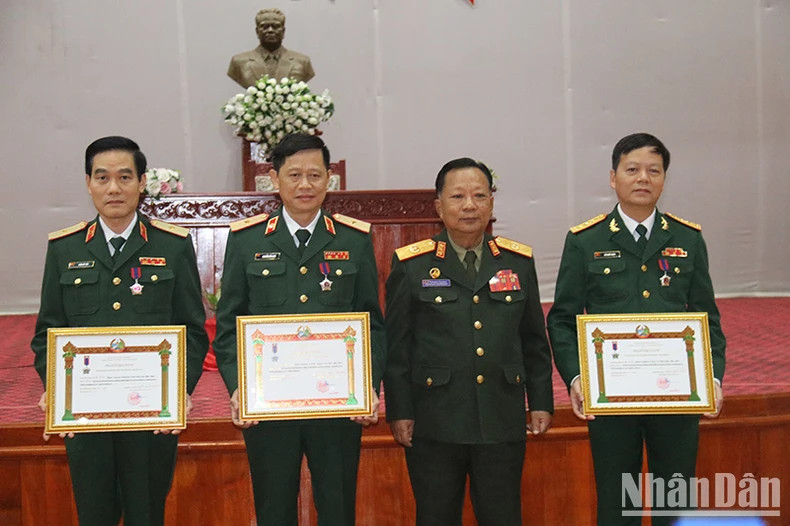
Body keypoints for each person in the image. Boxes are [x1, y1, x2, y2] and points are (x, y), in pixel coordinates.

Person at [546, 132, 726, 526]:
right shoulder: (585, 241)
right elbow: (562, 318)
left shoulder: (687, 238)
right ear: (613, 177)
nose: (643, 178)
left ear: (664, 179)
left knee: (674, 501)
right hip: (611, 399)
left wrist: (712, 377)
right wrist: (577, 378)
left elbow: (706, 316)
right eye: (632, 169)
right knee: (617, 503)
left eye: (653, 171)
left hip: (677, 397)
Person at [30, 136, 209, 526]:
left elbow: (193, 330)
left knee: (147, 514)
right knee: (94, 514)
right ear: (88, 183)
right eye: (102, 177)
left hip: (151, 415)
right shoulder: (65, 248)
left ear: (141, 182)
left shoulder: (172, 245)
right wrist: (57, 389)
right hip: (85, 414)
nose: (114, 188)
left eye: (125, 177)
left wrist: (179, 389)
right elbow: (48, 331)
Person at [212, 133, 384, 526]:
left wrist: (368, 385)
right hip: (269, 406)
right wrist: (239, 387)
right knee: (274, 509)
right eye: (294, 175)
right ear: (275, 179)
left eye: (314, 175)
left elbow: (372, 322)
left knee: (338, 509)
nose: (305, 184)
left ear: (329, 179)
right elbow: (228, 325)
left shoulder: (354, 239)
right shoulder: (246, 240)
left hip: (337, 406)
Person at [384, 158, 554, 526]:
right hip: (435, 419)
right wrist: (400, 410)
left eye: (479, 196)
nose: (469, 206)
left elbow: (534, 341)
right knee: (436, 516)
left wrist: (541, 401)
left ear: (491, 203)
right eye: (457, 196)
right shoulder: (412, 264)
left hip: (500, 415)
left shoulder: (517, 261)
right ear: (438, 206)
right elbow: (397, 347)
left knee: (502, 516)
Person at [227, 7, 315, 88]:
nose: (270, 30)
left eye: (276, 26)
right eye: (264, 27)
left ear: (283, 31)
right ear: (257, 31)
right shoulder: (239, 62)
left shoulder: (302, 62)